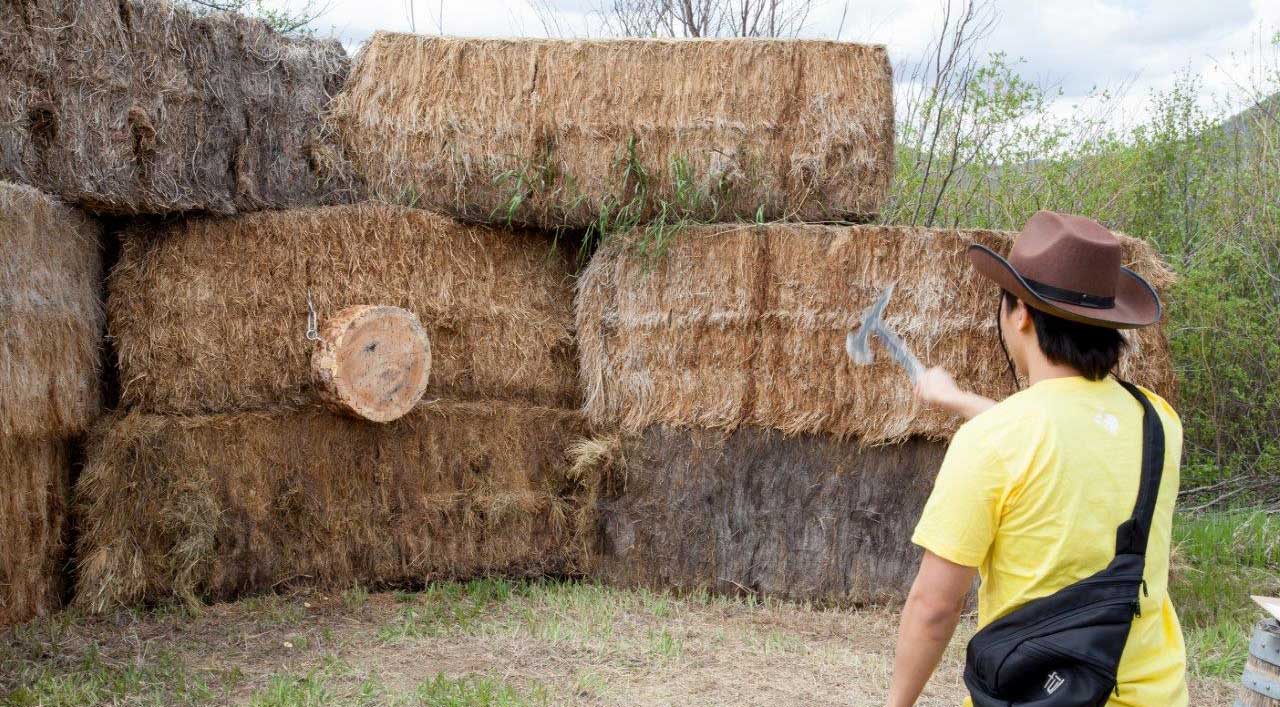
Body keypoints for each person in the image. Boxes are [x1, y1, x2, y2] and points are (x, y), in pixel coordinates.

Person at [886, 211, 1188, 707]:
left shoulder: (994, 441)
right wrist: (960, 400)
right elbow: (1069, 436)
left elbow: (934, 607)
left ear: (1021, 313)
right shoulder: (1160, 422)